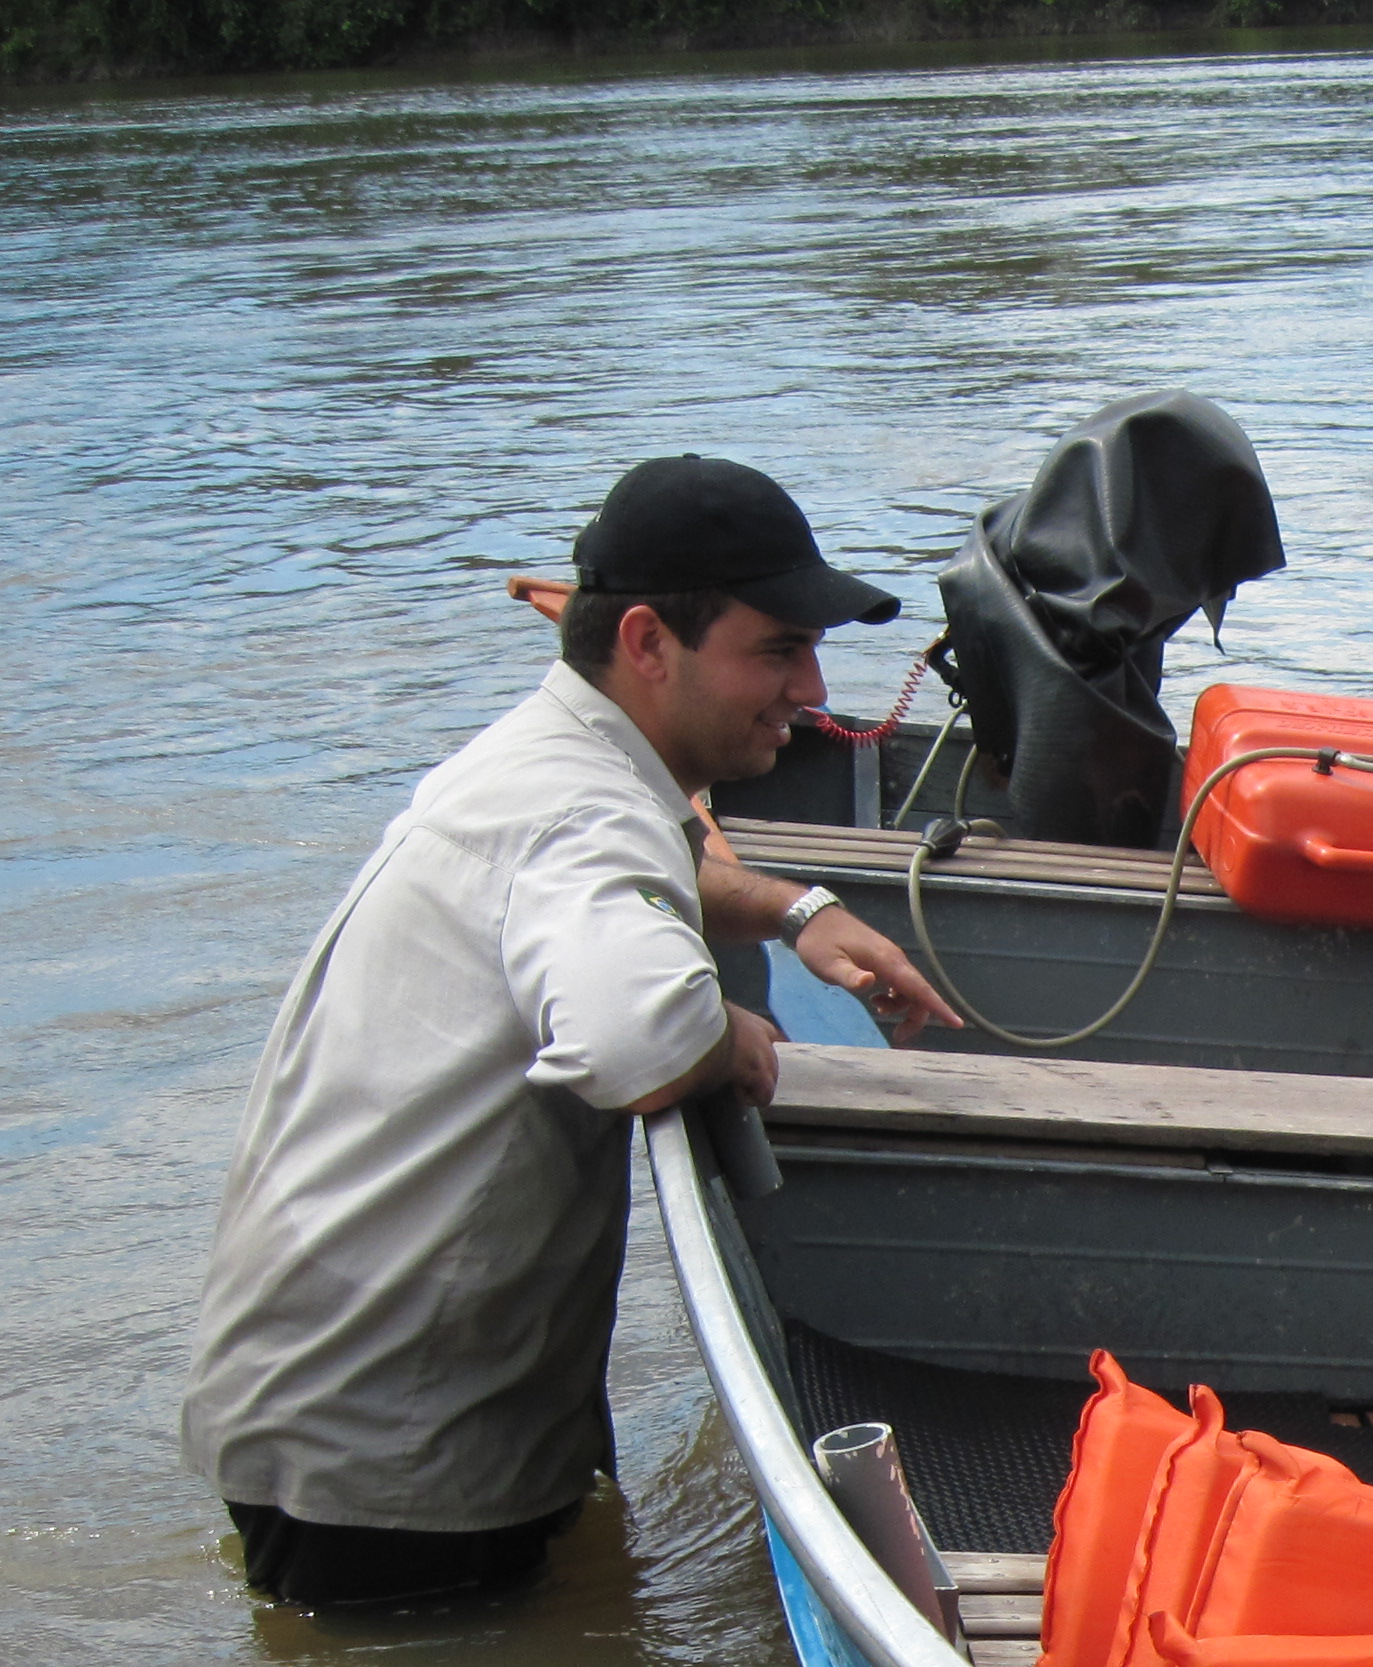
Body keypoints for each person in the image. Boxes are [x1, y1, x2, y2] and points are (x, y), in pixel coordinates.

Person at [182, 456, 953, 1609]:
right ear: (648, 642)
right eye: (777, 649)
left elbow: (668, 870)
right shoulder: (584, 811)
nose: (811, 686)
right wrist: (729, 1033)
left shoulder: (544, 763)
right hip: (396, 1454)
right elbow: (634, 1039)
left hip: (327, 1400)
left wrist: (801, 912)